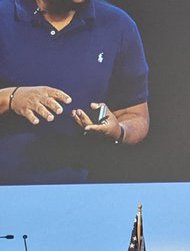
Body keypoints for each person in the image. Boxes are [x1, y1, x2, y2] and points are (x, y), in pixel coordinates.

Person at [0, 0, 149, 184]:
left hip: (83, 195)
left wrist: (119, 130)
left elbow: (135, 114)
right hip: (6, 189)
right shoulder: (4, 15)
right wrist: (11, 98)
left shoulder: (118, 25)